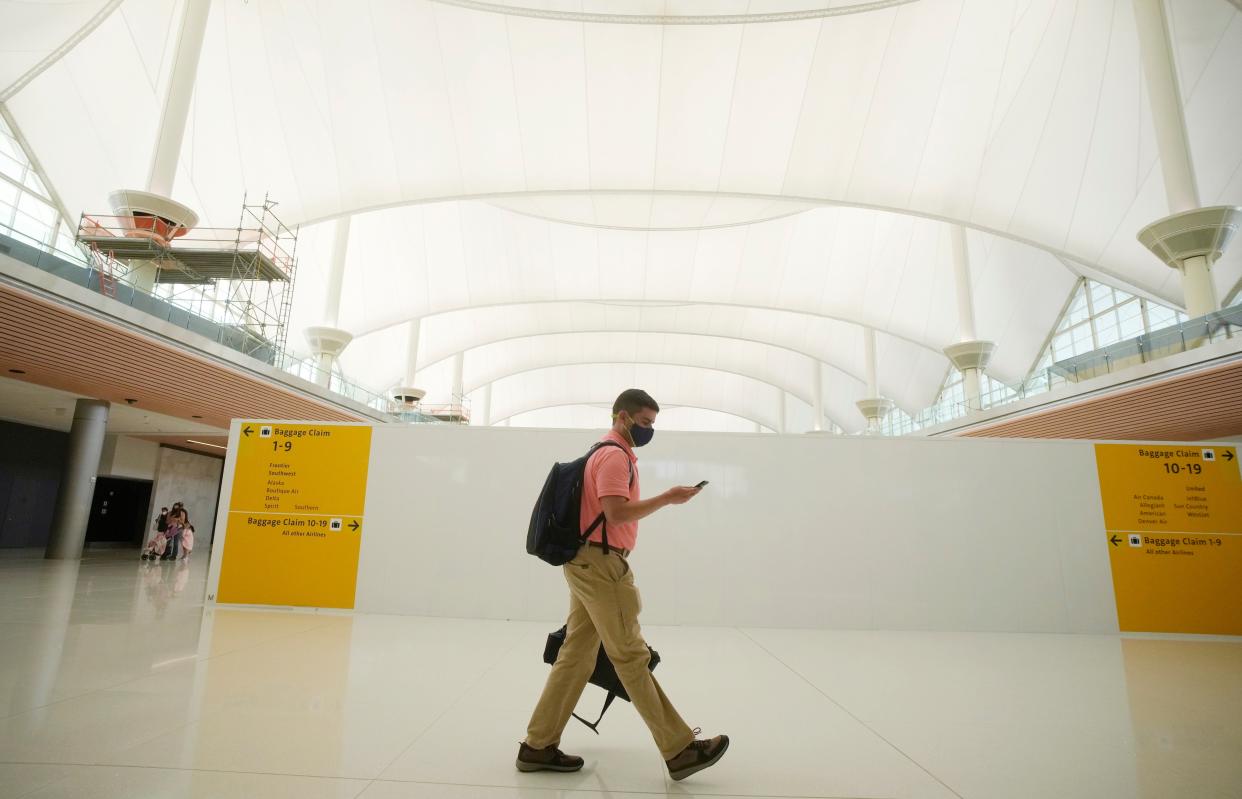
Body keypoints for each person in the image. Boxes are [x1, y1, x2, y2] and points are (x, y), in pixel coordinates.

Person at [518, 389, 729, 782]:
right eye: (645, 422)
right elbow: (615, 513)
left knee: (577, 655)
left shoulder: (604, 452)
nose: (649, 430)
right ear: (622, 417)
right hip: (601, 566)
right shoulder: (614, 456)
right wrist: (667, 498)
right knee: (631, 656)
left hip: (585, 561)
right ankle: (680, 749)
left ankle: (537, 745)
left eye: (652, 424)